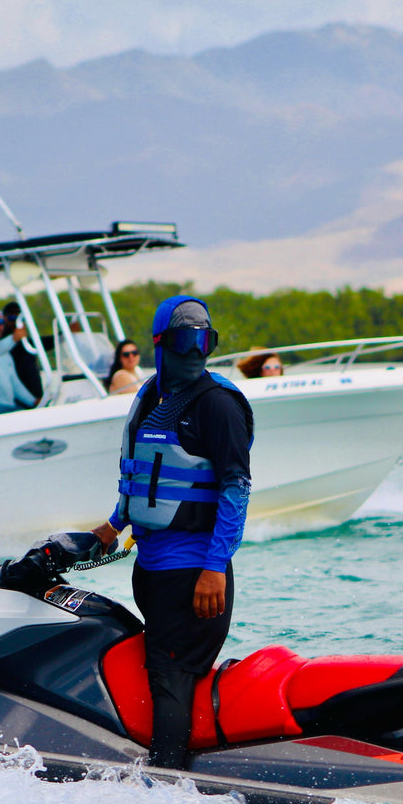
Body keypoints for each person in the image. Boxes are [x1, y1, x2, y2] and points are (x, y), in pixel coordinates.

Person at [91, 295, 253, 770]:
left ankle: (166, 782)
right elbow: (141, 475)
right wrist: (114, 523)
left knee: (171, 676)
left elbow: (237, 489)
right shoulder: (150, 399)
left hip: (195, 577)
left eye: (205, 340)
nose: (195, 351)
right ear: (161, 343)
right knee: (160, 672)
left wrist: (213, 568)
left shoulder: (218, 405)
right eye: (185, 340)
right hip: (153, 570)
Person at [2, 301, 44, 403]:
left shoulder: (25, 342)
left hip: (34, 396)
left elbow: (40, 343)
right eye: (13, 318)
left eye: (21, 318)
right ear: (4, 319)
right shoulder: (3, 343)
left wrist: (62, 335)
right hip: (20, 400)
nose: (17, 322)